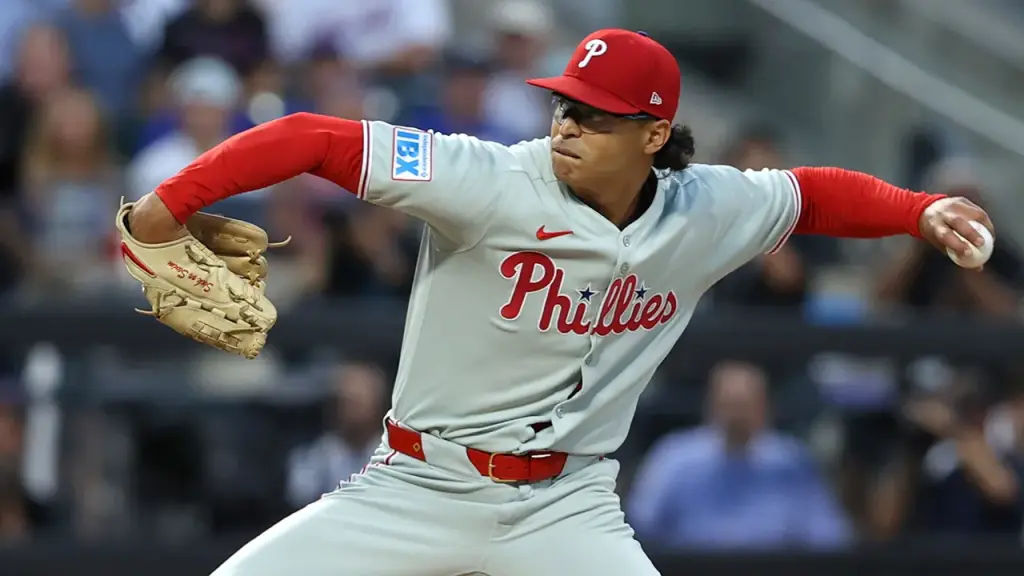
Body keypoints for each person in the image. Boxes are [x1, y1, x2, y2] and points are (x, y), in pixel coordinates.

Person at [121, 28, 993, 576]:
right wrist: (168, 208)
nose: (568, 124)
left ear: (654, 137)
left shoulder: (708, 206)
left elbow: (810, 193)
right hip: (418, 485)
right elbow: (307, 137)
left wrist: (919, 211)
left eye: (597, 116)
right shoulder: (488, 180)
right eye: (565, 105)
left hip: (568, 507)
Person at [627, 361, 851, 550]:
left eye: (744, 405)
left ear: (764, 408)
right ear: (711, 407)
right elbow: (640, 527)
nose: (736, 416)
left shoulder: (791, 461)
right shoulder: (674, 457)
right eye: (729, 405)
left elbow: (830, 536)